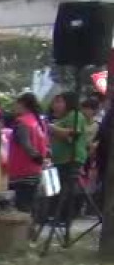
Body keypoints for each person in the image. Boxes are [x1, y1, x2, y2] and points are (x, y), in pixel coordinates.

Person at [47, 92, 90, 225]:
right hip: (59, 159)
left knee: (66, 190)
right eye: (55, 102)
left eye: (59, 102)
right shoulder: (60, 119)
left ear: (69, 103)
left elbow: (72, 135)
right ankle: (55, 216)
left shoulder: (75, 115)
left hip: (71, 158)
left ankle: (64, 218)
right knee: (56, 188)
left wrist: (51, 127)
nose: (55, 105)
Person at [8, 93, 48, 214]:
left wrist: (36, 157)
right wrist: (41, 159)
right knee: (30, 205)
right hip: (35, 170)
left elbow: (26, 145)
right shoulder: (39, 121)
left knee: (22, 208)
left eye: (16, 103)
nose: (14, 106)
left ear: (22, 104)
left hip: (21, 170)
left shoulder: (22, 122)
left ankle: (25, 226)